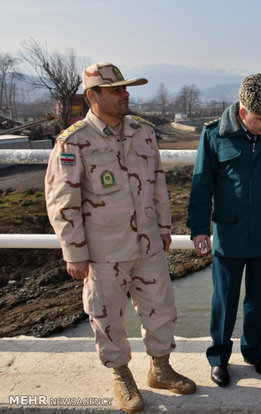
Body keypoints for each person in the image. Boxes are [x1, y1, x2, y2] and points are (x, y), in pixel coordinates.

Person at [45, 62, 195, 413]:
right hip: (103, 252)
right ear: (92, 96)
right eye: (117, 90)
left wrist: (163, 229)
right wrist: (74, 252)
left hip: (147, 245)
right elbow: (62, 199)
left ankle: (160, 368)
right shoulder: (74, 141)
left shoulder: (143, 132)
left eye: (126, 89)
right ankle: (121, 376)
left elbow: (158, 184)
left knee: (161, 308)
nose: (125, 94)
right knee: (106, 315)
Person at [187, 73, 261, 387]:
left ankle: (254, 353)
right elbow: (201, 186)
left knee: (257, 301)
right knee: (224, 300)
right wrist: (199, 229)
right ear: (242, 113)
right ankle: (219, 359)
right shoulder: (214, 135)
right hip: (229, 234)